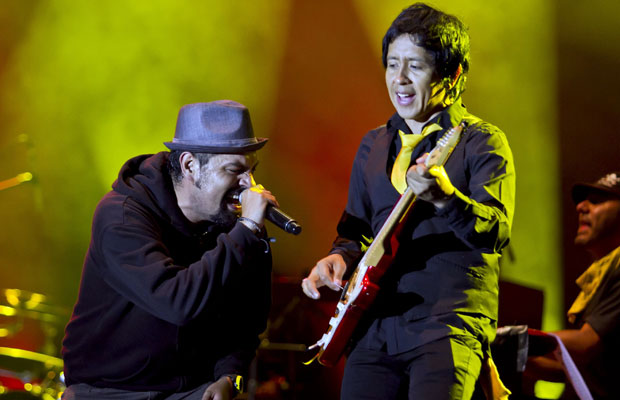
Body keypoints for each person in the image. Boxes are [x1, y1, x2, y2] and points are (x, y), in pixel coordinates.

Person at [301, 3, 515, 400]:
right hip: (374, 328)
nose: (399, 79)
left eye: (415, 66)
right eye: (392, 64)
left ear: (452, 75)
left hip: (447, 324)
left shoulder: (482, 141)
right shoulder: (373, 143)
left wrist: (446, 199)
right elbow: (355, 231)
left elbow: (496, 232)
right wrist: (338, 258)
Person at [62, 100, 276, 400]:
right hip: (109, 391)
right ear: (189, 165)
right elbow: (176, 303)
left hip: (192, 390)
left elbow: (246, 320)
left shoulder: (236, 226)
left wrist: (230, 376)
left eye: (252, 171)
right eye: (234, 170)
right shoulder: (122, 215)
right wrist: (247, 229)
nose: (249, 185)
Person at [524, 172, 620, 399]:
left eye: (596, 201)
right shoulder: (601, 277)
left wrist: (514, 338)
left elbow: (586, 345)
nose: (580, 207)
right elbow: (574, 371)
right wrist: (515, 357)